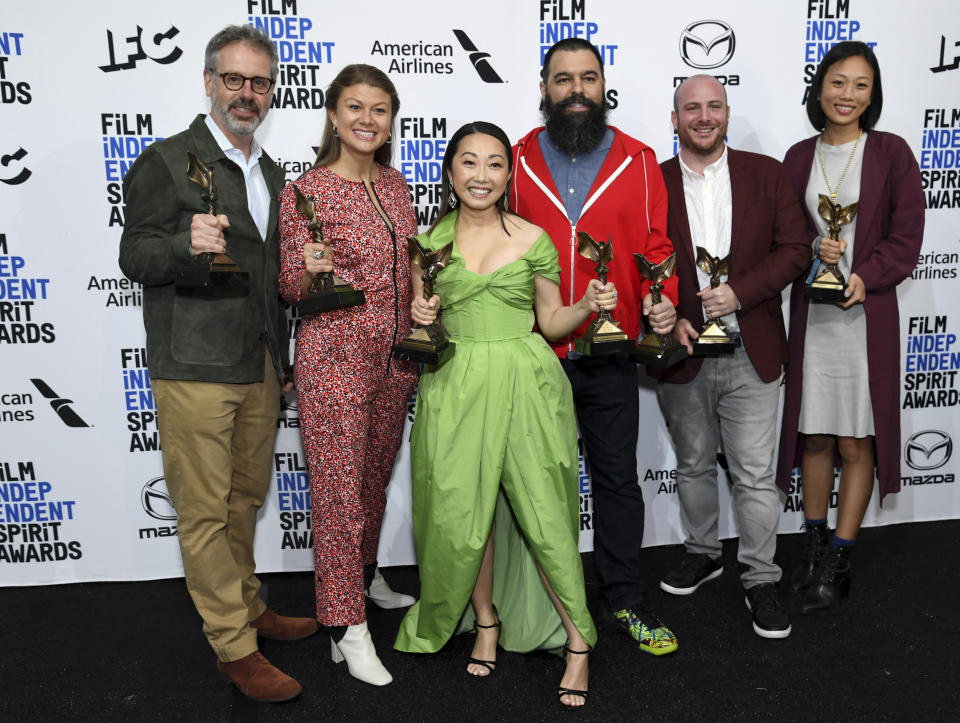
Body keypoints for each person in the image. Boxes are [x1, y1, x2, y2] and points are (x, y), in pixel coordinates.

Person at [119, 25, 316, 703]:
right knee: (204, 510)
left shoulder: (270, 172)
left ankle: (249, 602)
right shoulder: (168, 160)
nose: (246, 93)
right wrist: (182, 242)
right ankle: (234, 644)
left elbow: (268, 278)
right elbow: (135, 254)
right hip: (195, 366)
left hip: (258, 364)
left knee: (244, 500)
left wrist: (283, 356)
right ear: (208, 82)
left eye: (259, 82)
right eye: (233, 79)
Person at [394, 121, 615, 709]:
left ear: (509, 175)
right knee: (467, 512)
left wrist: (587, 306)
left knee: (546, 511)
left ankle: (577, 640)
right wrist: (421, 314)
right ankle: (484, 620)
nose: (482, 175)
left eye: (494, 164)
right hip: (454, 385)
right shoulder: (427, 245)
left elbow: (551, 323)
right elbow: (423, 328)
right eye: (469, 162)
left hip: (527, 381)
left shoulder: (535, 238)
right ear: (449, 172)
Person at [510, 38, 679, 654]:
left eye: (587, 78)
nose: (575, 90)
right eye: (562, 80)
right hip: (537, 352)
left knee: (616, 482)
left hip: (610, 353)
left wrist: (664, 300)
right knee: (540, 485)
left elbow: (657, 250)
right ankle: (551, 603)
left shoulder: (638, 160)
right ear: (545, 88)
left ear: (603, 86)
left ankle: (626, 600)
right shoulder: (515, 157)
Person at [653, 75, 810, 638]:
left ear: (726, 112)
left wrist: (740, 293)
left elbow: (796, 249)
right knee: (693, 464)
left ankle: (761, 577)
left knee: (753, 475)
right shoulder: (654, 182)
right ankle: (702, 551)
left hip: (753, 346)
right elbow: (636, 264)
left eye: (713, 106)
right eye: (690, 108)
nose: (703, 116)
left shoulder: (766, 174)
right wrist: (672, 313)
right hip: (684, 349)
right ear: (674, 118)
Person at [278, 64, 419, 686]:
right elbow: (289, 284)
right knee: (338, 495)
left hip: (397, 358)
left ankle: (358, 582)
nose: (367, 119)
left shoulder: (396, 186)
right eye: (355, 107)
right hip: (334, 359)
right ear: (333, 114)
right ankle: (346, 626)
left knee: (372, 483)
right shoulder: (305, 190)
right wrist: (307, 270)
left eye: (380, 109)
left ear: (391, 121)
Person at [776, 41, 924, 613]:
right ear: (819, 89)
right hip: (813, 319)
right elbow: (784, 234)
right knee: (813, 434)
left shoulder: (891, 153)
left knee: (856, 439)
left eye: (861, 85)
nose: (848, 95)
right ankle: (811, 548)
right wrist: (815, 244)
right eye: (838, 82)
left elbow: (906, 238)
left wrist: (866, 275)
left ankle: (840, 558)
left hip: (865, 318)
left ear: (873, 94)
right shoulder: (796, 157)